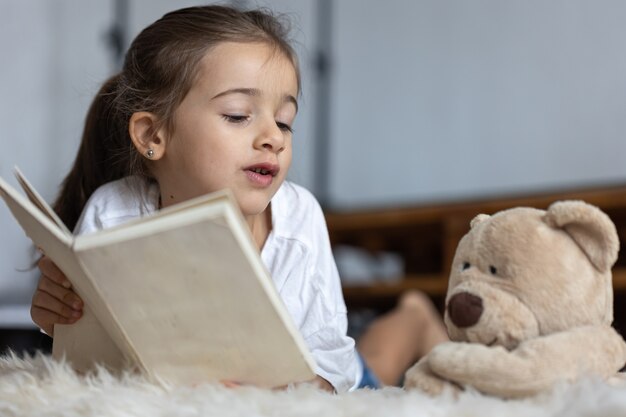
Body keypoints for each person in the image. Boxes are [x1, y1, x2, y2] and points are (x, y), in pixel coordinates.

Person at [30, 5, 447, 392]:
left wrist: (287, 395)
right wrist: (57, 317)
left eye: (285, 122)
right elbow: (94, 355)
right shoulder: (113, 212)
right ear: (153, 135)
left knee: (376, 361)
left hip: (336, 383)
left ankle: (414, 317)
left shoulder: (299, 217)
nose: (272, 138)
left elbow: (332, 361)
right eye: (237, 115)